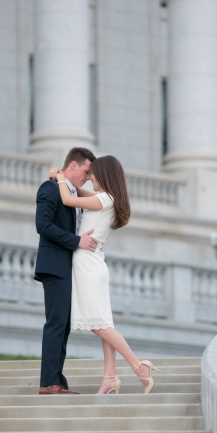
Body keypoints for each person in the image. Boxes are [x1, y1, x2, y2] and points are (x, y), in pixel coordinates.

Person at [53, 155, 159, 394]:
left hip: (89, 265)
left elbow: (69, 199)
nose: (90, 178)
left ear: (105, 175)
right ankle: (109, 378)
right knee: (103, 321)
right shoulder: (108, 199)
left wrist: (60, 176)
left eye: (94, 174)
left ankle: (138, 365)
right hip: (94, 263)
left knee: (98, 324)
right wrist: (67, 180)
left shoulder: (104, 199)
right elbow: (78, 193)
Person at [34, 147, 98, 395]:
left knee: (64, 325)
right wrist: (76, 241)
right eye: (86, 171)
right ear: (73, 165)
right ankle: (49, 383)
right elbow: (43, 225)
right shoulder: (50, 188)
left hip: (68, 268)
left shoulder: (70, 192)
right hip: (55, 266)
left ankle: (56, 379)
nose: (89, 177)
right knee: (56, 323)